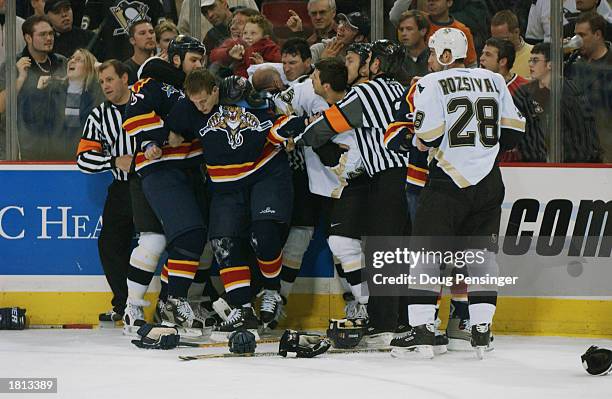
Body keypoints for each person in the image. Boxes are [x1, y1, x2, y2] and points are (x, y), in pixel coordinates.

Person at [388, 27, 525, 359]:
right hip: (489, 181)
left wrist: (423, 137)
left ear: (446, 55)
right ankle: (480, 331)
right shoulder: (493, 79)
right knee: (481, 259)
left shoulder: (431, 83)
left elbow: (429, 135)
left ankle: (422, 331)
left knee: (428, 258)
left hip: (449, 180)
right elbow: (512, 134)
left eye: (434, 53)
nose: (431, 59)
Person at [287, 40, 410, 347]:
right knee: (393, 251)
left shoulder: (368, 91)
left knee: (386, 253)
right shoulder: (401, 88)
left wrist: (298, 137)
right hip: (398, 177)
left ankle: (386, 323)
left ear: (376, 65)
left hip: (388, 177)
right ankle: (403, 319)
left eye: (360, 61)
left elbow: (326, 127)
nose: (352, 67)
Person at [166, 71, 302, 333]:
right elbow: (172, 129)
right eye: (196, 103)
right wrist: (168, 136)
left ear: (216, 90)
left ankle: (272, 290)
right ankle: (241, 309)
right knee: (223, 243)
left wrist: (288, 130)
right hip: (226, 184)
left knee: (264, 234)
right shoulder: (189, 107)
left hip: (265, 173)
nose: (201, 107)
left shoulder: (244, 93)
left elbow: (278, 120)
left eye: (204, 100)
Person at [122, 35, 208, 332]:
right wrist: (152, 140)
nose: (198, 65)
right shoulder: (154, 83)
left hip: (191, 169)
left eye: (201, 60)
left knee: (194, 239)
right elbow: (135, 114)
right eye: (193, 60)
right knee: (165, 238)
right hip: (160, 169)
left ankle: (170, 303)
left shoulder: (195, 89)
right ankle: (136, 306)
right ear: (175, 60)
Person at [76, 59, 135, 323]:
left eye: (110, 79)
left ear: (124, 78)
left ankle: (171, 299)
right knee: (109, 244)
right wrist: (113, 161)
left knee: (167, 242)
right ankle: (123, 304)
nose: (105, 86)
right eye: (101, 82)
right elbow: (83, 159)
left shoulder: (148, 104)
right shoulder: (99, 115)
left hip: (156, 187)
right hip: (122, 188)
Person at [0, 15, 68, 160]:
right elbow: (1, 106)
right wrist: (20, 79)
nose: (49, 38)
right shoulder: (11, 66)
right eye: (42, 34)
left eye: (51, 33)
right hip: (24, 150)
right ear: (28, 38)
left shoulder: (63, 63)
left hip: (60, 147)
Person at [524, 42, 602, 162]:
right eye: (530, 60)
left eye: (535, 60)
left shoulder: (568, 93)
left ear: (550, 64)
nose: (530, 64)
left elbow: (582, 133)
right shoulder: (532, 92)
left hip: (573, 165)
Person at [39, 48, 104, 160]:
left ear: (89, 68)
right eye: (71, 58)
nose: (72, 61)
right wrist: (39, 91)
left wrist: (102, 70)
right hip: (54, 156)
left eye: (79, 59)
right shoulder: (52, 90)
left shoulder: (97, 93)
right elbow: (34, 119)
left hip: (86, 155)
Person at [568, 11, 612, 161]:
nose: (577, 40)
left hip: (606, 150)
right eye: (575, 35)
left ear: (598, 34)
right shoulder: (573, 65)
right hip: (576, 149)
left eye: (582, 35)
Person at [80, 0, 166, 61]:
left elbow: (163, 32)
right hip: (111, 60)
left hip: (147, 60)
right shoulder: (96, 3)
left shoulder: (154, 2)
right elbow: (88, 34)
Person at [208, 7, 260, 77]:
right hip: (235, 83)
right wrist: (229, 53)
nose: (232, 27)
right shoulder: (232, 43)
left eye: (240, 23)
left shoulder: (267, 45)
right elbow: (213, 55)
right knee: (215, 67)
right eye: (232, 23)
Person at [490, 9, 533, 80]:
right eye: (494, 39)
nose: (497, 43)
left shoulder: (535, 56)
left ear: (516, 32)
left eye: (503, 39)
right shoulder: (488, 56)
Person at [396, 10, 430, 86]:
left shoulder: (434, 57)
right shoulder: (396, 59)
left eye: (409, 29)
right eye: (401, 29)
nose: (403, 33)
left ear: (423, 31)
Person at [123, 20, 156, 85]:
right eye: (142, 33)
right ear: (132, 41)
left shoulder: (163, 64)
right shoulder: (125, 70)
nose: (149, 36)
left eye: (151, 32)